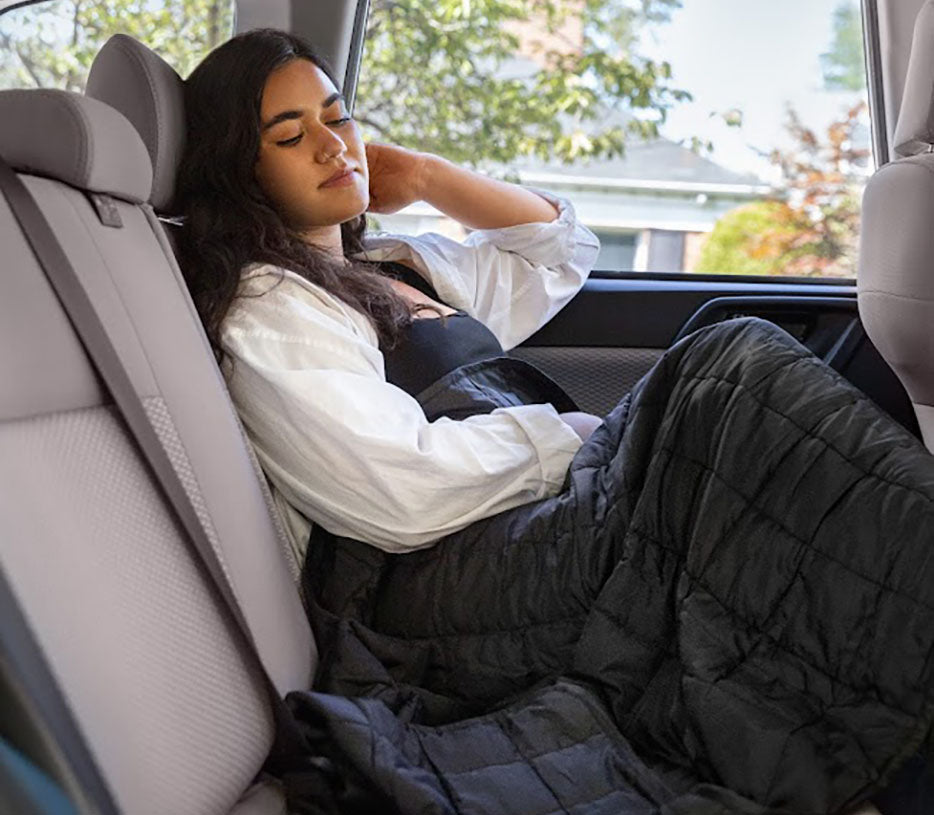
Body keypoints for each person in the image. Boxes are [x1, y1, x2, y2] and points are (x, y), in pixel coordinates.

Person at [176, 28, 934, 815]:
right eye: (291, 136)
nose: (334, 145)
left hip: (512, 531)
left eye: (339, 118)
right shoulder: (272, 304)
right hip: (428, 591)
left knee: (750, 451)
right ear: (240, 171)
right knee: (726, 366)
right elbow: (394, 490)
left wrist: (424, 174)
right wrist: (563, 437)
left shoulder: (393, 263)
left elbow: (560, 249)